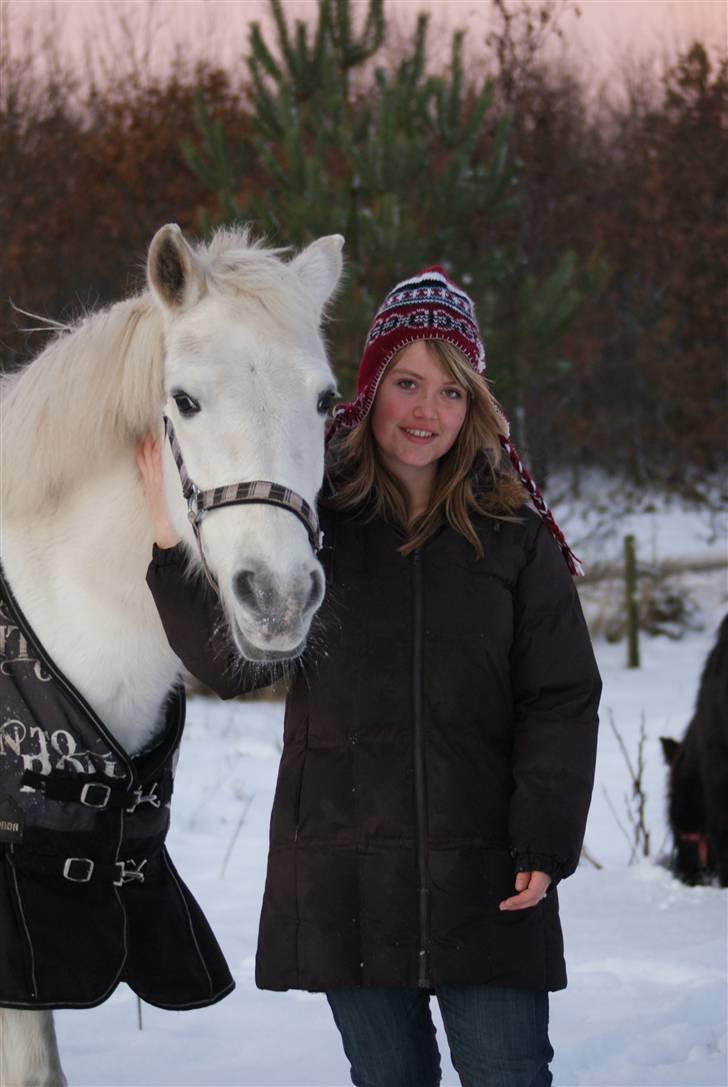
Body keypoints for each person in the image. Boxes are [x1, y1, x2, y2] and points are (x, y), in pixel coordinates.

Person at [138, 267, 601, 1087]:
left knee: (509, 1074)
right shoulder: (316, 525)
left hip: (488, 876)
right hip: (350, 881)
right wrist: (170, 551)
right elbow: (229, 668)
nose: (428, 412)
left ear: (474, 405)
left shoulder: (515, 536)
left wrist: (546, 835)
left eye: (452, 392)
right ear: (369, 383)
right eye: (408, 383)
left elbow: (560, 697)